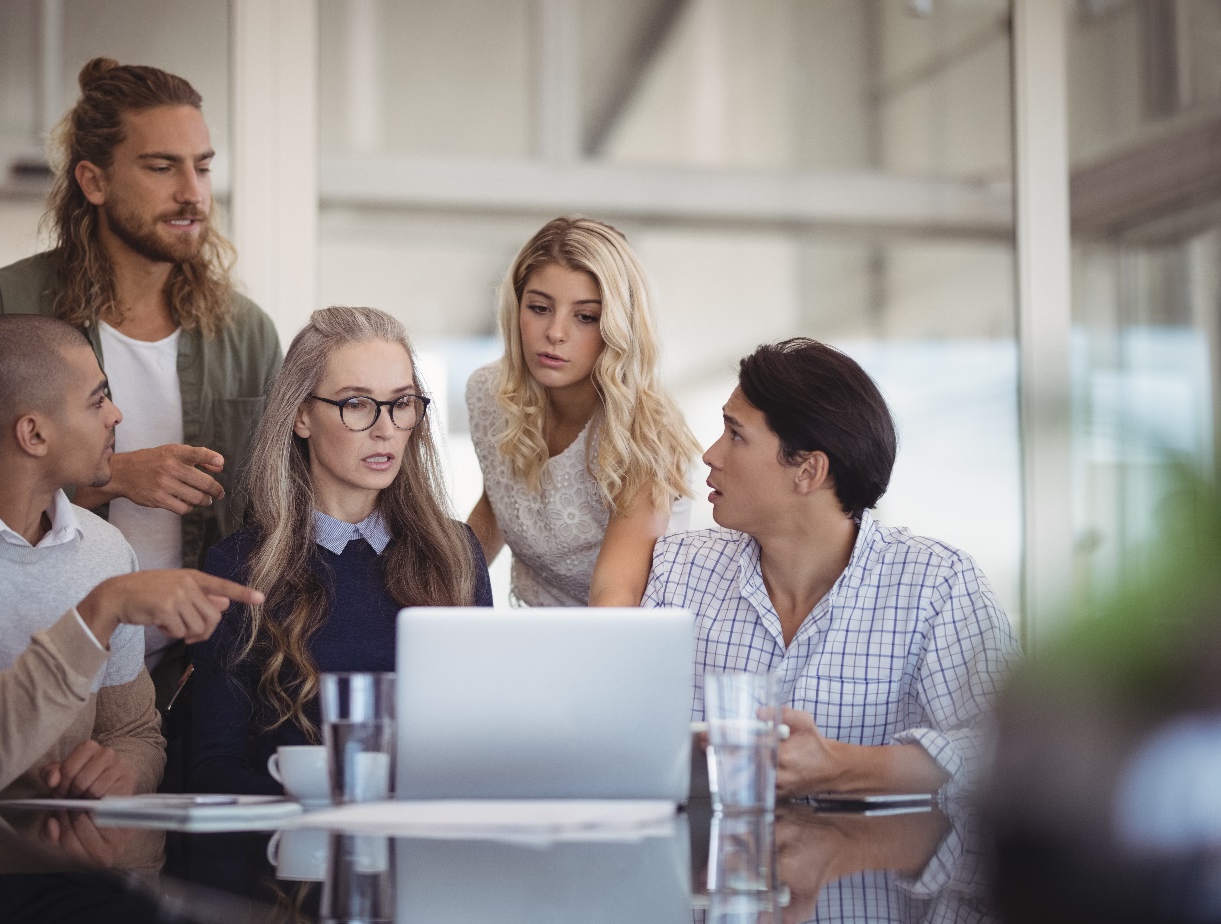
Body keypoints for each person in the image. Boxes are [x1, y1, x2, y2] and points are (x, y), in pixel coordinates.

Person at [0, 314, 260, 878]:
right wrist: (100, 610)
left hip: (84, 884)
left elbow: (132, 734)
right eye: (97, 399)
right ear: (33, 434)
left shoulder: (104, 549)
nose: (117, 415)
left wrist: (118, 775)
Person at [0, 58, 283, 689]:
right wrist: (115, 476)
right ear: (92, 181)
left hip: (195, 674)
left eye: (202, 166)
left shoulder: (245, 330)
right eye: (161, 166)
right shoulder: (5, 305)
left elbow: (276, 509)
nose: (192, 193)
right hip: (30, 656)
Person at [645, 338, 1018, 798]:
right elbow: (621, 729)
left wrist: (842, 766)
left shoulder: (937, 585)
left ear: (808, 471)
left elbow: (1012, 753)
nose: (711, 455)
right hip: (707, 860)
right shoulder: (677, 570)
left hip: (886, 865)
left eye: (736, 434)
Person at [189, 307, 492, 794]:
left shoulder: (456, 554)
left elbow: (484, 744)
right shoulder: (238, 567)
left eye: (401, 403)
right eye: (357, 404)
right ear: (302, 415)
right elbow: (211, 767)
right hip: (293, 857)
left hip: (425, 849)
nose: (386, 428)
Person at [466, 216, 699, 607]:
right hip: (533, 636)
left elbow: (615, 596)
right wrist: (425, 597)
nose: (556, 332)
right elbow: (500, 505)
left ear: (618, 326)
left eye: (585, 316)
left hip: (618, 645)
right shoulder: (490, 394)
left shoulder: (645, 438)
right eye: (539, 308)